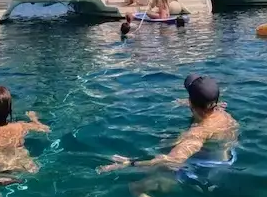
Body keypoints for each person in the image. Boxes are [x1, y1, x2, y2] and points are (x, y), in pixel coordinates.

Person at [98, 74, 237, 173]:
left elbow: (173, 160)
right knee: (171, 140)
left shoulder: (199, 131)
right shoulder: (221, 113)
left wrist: (130, 163)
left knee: (142, 184)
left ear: (191, 102)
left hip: (208, 169)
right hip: (227, 157)